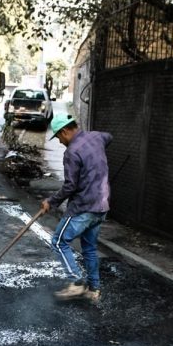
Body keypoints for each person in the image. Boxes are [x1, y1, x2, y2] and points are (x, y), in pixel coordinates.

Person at [41, 114, 111, 303]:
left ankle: (76, 282)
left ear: (65, 131)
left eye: (58, 137)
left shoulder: (71, 152)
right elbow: (109, 137)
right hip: (102, 205)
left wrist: (51, 201)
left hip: (83, 206)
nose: (60, 141)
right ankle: (94, 289)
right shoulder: (97, 137)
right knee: (89, 248)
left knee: (58, 241)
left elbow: (70, 186)